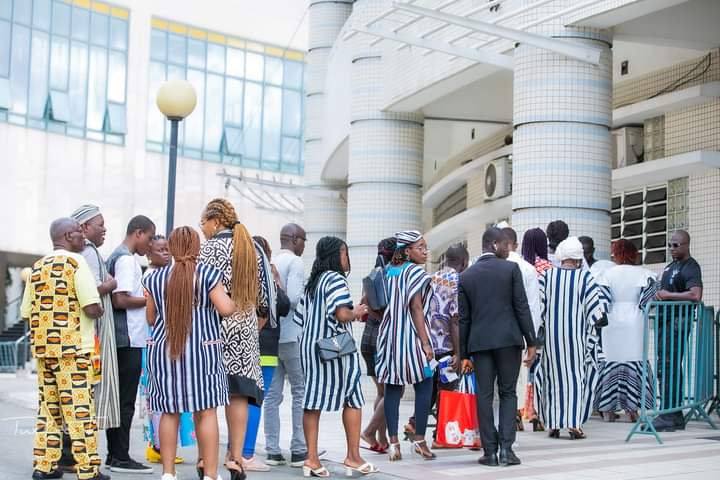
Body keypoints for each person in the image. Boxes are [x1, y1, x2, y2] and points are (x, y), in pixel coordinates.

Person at [143, 226, 237, 480]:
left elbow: (151, 319)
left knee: (169, 411)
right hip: (203, 353)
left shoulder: (154, 278)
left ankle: (168, 473)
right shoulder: (207, 274)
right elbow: (226, 309)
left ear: (172, 249)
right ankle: (210, 474)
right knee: (206, 411)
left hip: (164, 353)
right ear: (197, 248)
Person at [22, 218, 107, 480]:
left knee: (49, 410)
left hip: (44, 350)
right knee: (79, 410)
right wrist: (99, 309)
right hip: (73, 350)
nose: (84, 238)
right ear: (69, 236)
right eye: (80, 234)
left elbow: (26, 312)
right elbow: (91, 306)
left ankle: (44, 467)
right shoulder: (76, 262)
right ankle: (88, 470)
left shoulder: (37, 267)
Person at [198, 198, 274, 480]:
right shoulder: (252, 248)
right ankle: (236, 459)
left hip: (212, 329)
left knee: (208, 398)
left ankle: (205, 461)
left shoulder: (210, 249)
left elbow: (200, 291)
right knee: (238, 395)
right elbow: (266, 300)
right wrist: (252, 325)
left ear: (215, 221)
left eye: (203, 222)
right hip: (245, 330)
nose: (202, 228)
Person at [294, 236, 377, 477]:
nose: (346, 257)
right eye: (344, 252)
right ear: (336, 254)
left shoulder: (313, 282)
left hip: (310, 347)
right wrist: (358, 311)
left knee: (312, 400)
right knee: (353, 395)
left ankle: (311, 459)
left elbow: (301, 319)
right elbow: (342, 314)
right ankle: (353, 456)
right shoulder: (335, 279)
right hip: (335, 346)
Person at [458, 227, 537, 467]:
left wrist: (464, 354)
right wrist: (531, 341)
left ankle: (489, 452)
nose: (509, 249)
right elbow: (521, 307)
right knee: (508, 392)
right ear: (494, 244)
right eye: (506, 244)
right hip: (508, 340)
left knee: (483, 395)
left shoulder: (466, 276)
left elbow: (464, 319)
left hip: (480, 343)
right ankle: (506, 450)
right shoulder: (510, 269)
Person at [56, 206, 119, 474]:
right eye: (100, 224)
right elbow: (89, 296)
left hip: (59, 341)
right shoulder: (89, 252)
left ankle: (63, 456)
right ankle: (79, 461)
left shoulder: (54, 261)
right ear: (82, 228)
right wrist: (111, 284)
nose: (104, 229)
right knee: (85, 399)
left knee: (62, 400)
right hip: (87, 340)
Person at [537, 237, 608, 440]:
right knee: (575, 379)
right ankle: (574, 425)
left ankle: (553, 424)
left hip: (552, 341)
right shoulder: (585, 278)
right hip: (576, 341)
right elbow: (597, 312)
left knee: (551, 378)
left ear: (561, 257)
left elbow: (539, 309)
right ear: (578, 260)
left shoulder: (547, 277)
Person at [375, 230, 436, 462]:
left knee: (392, 388)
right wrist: (425, 342)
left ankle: (393, 444)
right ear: (407, 251)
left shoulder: (386, 272)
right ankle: (420, 440)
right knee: (425, 382)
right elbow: (416, 308)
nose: (425, 252)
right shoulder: (414, 272)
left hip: (388, 338)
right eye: (420, 247)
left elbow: (372, 305)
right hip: (410, 337)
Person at [106, 215, 156, 474]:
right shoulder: (126, 259)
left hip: (124, 338)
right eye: (149, 238)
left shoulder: (120, 255)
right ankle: (120, 456)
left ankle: (115, 454)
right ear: (138, 233)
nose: (150, 244)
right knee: (125, 401)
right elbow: (121, 300)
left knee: (120, 400)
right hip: (127, 339)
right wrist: (149, 301)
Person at [140, 236, 192, 465]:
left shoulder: (169, 276)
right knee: (160, 397)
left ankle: (162, 446)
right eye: (160, 250)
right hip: (154, 342)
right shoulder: (151, 277)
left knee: (165, 397)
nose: (166, 254)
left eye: (168, 250)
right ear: (148, 253)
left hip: (162, 340)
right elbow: (151, 317)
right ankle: (158, 446)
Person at [596, 239, 656, 422]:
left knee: (610, 362)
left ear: (616, 253)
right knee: (635, 361)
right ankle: (632, 410)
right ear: (634, 253)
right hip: (635, 321)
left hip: (612, 321)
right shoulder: (645, 274)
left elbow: (602, 301)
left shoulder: (606, 274)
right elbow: (649, 301)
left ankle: (607, 410)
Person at [264, 223, 308, 467]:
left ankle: (272, 450)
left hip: (272, 337)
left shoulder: (272, 261)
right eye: (303, 240)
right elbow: (292, 300)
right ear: (294, 239)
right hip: (292, 335)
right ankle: (299, 449)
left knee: (272, 395)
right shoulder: (296, 263)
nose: (304, 245)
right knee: (300, 391)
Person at [239, 236, 284, 472]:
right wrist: (276, 280)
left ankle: (237, 451)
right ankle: (246, 453)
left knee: (241, 401)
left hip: (246, 347)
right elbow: (282, 305)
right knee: (255, 401)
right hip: (265, 348)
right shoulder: (264, 278)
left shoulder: (243, 276)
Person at [651, 230, 703, 432]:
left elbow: (695, 294)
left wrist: (668, 295)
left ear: (686, 245)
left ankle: (668, 414)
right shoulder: (670, 266)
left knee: (669, 366)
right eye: (669, 245)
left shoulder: (691, 266)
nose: (672, 249)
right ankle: (673, 414)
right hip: (667, 322)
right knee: (666, 366)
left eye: (676, 245)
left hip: (678, 321)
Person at [427, 243, 468, 446]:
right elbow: (455, 319)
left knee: (430, 390)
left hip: (429, 347)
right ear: (464, 262)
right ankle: (438, 437)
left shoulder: (431, 279)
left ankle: (414, 423)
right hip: (446, 347)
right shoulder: (458, 281)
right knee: (447, 390)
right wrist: (459, 353)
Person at [502, 227, 541, 431]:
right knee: (519, 377)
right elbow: (534, 307)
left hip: (498, 333)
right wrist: (531, 340)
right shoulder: (527, 268)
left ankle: (508, 417)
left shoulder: (493, 265)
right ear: (515, 244)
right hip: (522, 331)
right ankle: (517, 413)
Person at [359, 237, 395, 453]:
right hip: (382, 341)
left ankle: (381, 439)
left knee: (382, 392)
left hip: (367, 340)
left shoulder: (374, 275)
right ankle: (370, 431)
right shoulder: (390, 275)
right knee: (393, 392)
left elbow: (363, 303)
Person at [520, 227, 553, 431]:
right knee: (542, 369)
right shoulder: (549, 268)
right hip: (544, 326)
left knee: (522, 370)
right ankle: (538, 413)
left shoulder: (520, 266)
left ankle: (521, 411)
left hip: (521, 325)